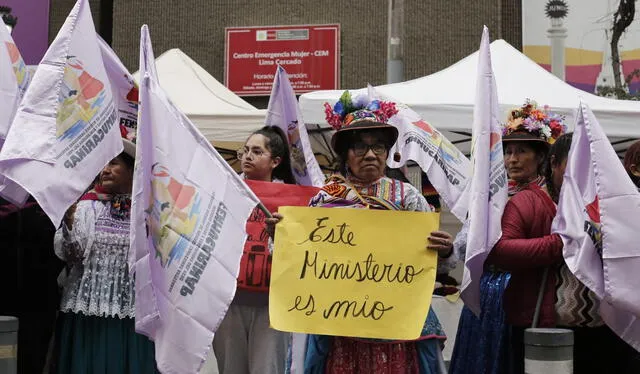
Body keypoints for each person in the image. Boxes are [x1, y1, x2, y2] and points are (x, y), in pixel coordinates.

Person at [267, 92, 456, 373]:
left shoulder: (407, 196)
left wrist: (445, 250)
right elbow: (296, 260)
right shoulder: (327, 198)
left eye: (378, 147)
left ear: (387, 153)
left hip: (396, 320)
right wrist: (279, 237)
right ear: (345, 154)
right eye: (359, 147)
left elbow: (435, 265)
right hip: (341, 321)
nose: (370, 154)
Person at [450, 100, 561, 374]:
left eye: (521, 151)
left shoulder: (553, 198)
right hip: (486, 288)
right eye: (508, 151)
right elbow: (464, 246)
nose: (512, 159)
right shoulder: (489, 196)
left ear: (541, 157)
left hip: (526, 290)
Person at [51, 130, 158, 373]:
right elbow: (73, 256)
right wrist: (68, 226)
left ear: (132, 171)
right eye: (103, 165)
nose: (105, 170)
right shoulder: (87, 207)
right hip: (88, 310)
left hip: (131, 311)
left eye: (114, 164)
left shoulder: (148, 213)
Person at [212, 126, 296, 374]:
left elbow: (301, 255)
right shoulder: (225, 191)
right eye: (245, 150)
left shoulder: (292, 203)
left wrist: (279, 237)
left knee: (267, 369)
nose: (248, 156)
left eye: (257, 151)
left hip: (272, 306)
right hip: (228, 302)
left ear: (275, 161)